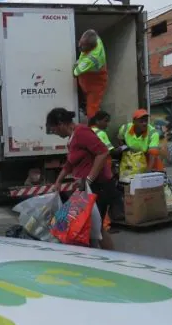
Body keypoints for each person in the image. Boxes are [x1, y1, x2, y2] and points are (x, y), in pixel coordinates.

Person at [47, 108, 114, 250]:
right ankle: (97, 257)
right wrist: (58, 181)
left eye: (54, 130)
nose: (55, 133)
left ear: (61, 124)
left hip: (98, 185)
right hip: (85, 187)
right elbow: (69, 163)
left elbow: (102, 153)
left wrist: (89, 179)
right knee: (91, 226)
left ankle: (112, 259)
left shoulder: (82, 132)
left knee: (96, 227)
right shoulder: (71, 140)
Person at [74, 29, 108, 120]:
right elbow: (91, 32)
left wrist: (76, 64)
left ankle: (93, 127)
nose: (80, 47)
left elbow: (76, 72)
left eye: (82, 47)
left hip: (96, 82)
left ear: (90, 47)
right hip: (89, 78)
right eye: (80, 44)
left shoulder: (91, 58)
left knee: (92, 108)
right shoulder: (96, 39)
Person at [118, 109, 163, 173]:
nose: (144, 123)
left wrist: (148, 170)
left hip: (147, 157)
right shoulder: (125, 128)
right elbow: (120, 138)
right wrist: (124, 147)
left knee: (156, 179)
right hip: (130, 157)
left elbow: (153, 153)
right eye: (141, 121)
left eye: (146, 121)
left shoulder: (153, 133)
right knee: (127, 178)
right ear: (134, 122)